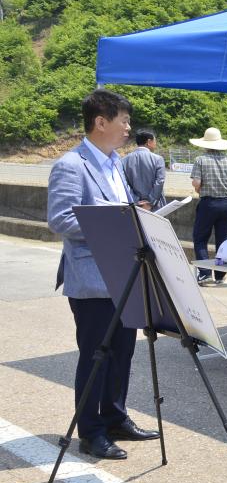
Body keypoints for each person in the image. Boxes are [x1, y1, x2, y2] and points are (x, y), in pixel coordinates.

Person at [46, 89, 161, 460]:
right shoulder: (71, 164)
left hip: (123, 273)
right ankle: (90, 431)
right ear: (100, 122)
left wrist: (134, 211)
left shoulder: (115, 162)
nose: (128, 128)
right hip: (92, 278)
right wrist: (116, 219)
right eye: (123, 121)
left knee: (123, 352)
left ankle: (115, 417)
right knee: (96, 355)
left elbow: (118, 206)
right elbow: (61, 219)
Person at [189, 127, 227, 285]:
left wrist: (197, 188)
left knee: (200, 238)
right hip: (226, 203)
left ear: (205, 143)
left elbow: (196, 182)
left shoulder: (200, 160)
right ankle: (220, 275)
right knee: (223, 239)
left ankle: (205, 273)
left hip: (208, 202)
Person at [121, 128, 166, 211]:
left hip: (135, 207)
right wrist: (150, 202)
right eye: (155, 140)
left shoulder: (124, 160)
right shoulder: (158, 159)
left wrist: (136, 201)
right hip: (155, 207)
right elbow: (160, 181)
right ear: (149, 142)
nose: (156, 143)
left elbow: (124, 184)